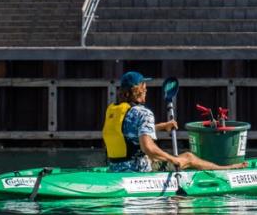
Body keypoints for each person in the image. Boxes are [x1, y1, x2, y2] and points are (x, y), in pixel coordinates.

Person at [103, 71, 244, 173]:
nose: (146, 92)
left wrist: (163, 126)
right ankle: (224, 169)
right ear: (139, 91)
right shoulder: (143, 113)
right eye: (144, 89)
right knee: (188, 157)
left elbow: (130, 131)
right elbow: (149, 149)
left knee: (150, 157)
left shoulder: (113, 110)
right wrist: (172, 159)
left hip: (115, 167)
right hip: (137, 170)